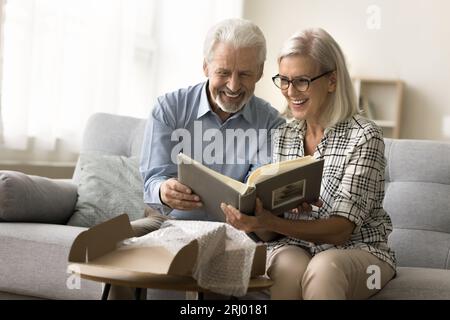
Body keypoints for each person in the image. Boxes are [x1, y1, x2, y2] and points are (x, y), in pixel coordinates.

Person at [221, 28, 396, 300]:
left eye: (302, 81)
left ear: (332, 81)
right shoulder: (283, 135)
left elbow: (340, 231)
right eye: (284, 81)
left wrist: (273, 222)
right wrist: (255, 221)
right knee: (286, 267)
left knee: (325, 268)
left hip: (361, 250)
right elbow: (271, 233)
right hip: (295, 246)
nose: (291, 92)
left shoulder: (364, 136)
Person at [140, 18, 285, 221]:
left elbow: (257, 192)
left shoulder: (272, 124)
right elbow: (153, 181)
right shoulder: (168, 109)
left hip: (236, 231)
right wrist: (163, 191)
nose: (233, 86)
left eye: (244, 74)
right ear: (206, 67)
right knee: (115, 244)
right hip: (168, 223)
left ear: (260, 72)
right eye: (223, 73)